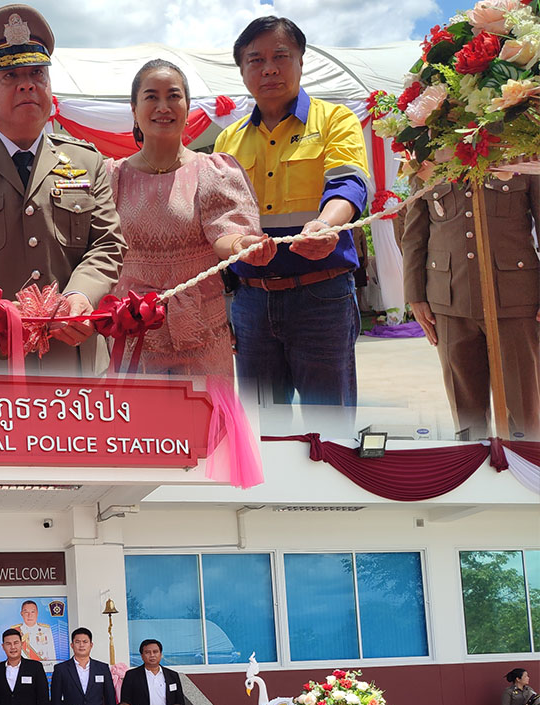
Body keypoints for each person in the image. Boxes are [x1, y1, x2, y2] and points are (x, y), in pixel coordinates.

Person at [0, 3, 126, 375]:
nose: (27, 84)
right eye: (10, 75)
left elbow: (107, 244)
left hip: (72, 360)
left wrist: (80, 295)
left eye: (36, 73)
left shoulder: (87, 161)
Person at [215, 16, 370, 414]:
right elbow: (222, 215)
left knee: (330, 423)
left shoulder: (335, 119)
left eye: (280, 56)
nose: (269, 68)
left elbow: (349, 183)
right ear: (242, 70)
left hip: (322, 296)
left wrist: (326, 224)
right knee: (263, 427)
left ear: (301, 61)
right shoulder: (227, 140)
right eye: (255, 59)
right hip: (251, 300)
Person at [107, 60, 274, 376]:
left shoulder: (214, 171)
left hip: (201, 333)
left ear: (187, 106)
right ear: (134, 109)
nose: (163, 107)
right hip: (134, 334)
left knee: (205, 409)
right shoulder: (112, 177)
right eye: (151, 97)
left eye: (173, 96)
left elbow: (225, 231)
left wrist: (241, 245)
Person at [402, 178, 540, 440]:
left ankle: (524, 465)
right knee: (466, 416)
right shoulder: (427, 159)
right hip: (450, 301)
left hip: (515, 300)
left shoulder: (521, 156)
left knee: (523, 413)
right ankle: (473, 464)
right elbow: (414, 235)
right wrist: (415, 295)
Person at [51, 629, 116, 705]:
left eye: (85, 642)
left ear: (91, 645)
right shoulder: (61, 669)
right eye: (77, 642)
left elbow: (110, 699)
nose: (81, 645)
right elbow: (55, 701)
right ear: (72, 645)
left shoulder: (102, 668)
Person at [120, 639, 185, 705]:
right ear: (142, 656)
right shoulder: (131, 676)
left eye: (155, 652)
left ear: (161, 654)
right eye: (147, 652)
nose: (152, 655)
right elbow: (126, 703)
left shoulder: (172, 675)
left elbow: (179, 702)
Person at [16, 601, 58, 671]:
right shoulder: (16, 630)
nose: (29, 615)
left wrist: (52, 670)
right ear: (21, 614)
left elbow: (51, 652)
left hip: (42, 669)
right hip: (22, 669)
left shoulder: (46, 630)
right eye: (26, 612)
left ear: (37, 613)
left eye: (32, 612)